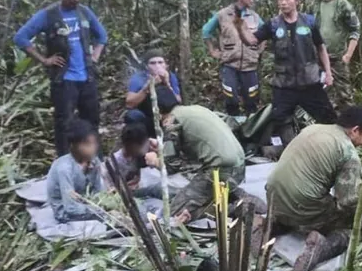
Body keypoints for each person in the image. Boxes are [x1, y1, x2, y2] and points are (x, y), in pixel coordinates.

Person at [265, 107, 362, 271]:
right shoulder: (347, 152)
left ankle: (270, 225)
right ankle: (322, 248)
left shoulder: (313, 128)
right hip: (302, 206)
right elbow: (348, 202)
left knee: (305, 198)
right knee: (357, 228)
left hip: (273, 198)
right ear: (355, 130)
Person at [14, 0, 108, 156]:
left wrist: (94, 56)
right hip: (64, 79)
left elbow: (102, 36)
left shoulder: (84, 13)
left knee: (92, 120)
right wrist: (44, 60)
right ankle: (66, 162)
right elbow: (20, 38)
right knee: (64, 123)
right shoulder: (48, 15)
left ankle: (96, 160)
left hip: (87, 77)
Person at [235, 0, 337, 146]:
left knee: (328, 118)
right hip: (284, 85)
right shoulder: (273, 25)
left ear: (297, 0)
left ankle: (330, 149)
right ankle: (293, 150)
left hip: (310, 82)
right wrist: (239, 24)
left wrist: (328, 74)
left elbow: (320, 47)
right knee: (281, 119)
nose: (283, 2)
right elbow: (252, 40)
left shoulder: (309, 22)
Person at [153, 86, 267, 222]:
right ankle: (235, 195)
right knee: (202, 191)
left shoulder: (172, 121)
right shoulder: (195, 109)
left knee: (173, 213)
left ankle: (236, 207)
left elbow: (171, 166)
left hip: (219, 170)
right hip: (238, 166)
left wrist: (155, 160)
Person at [202, 0, 265, 116]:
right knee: (231, 99)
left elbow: (264, 34)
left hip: (250, 66)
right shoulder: (222, 15)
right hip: (230, 64)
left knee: (252, 99)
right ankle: (233, 126)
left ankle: (251, 129)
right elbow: (206, 31)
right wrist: (212, 51)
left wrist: (258, 51)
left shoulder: (254, 16)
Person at [309, 0, 361, 110]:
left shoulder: (343, 5)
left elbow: (355, 30)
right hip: (319, 59)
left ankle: (351, 127)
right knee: (322, 96)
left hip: (338, 59)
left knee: (344, 96)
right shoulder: (315, 6)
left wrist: (348, 55)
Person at [45, 119, 105, 223]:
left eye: (94, 143)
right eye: (87, 144)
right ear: (73, 146)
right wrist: (98, 210)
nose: (93, 148)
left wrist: (102, 203)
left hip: (87, 203)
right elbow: (70, 207)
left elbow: (98, 190)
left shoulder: (94, 161)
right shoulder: (65, 168)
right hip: (66, 211)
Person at [125, 49, 182, 137]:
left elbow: (178, 100)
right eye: (153, 63)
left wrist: (167, 84)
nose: (157, 66)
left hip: (168, 116)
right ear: (147, 66)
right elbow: (129, 104)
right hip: (147, 116)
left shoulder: (171, 76)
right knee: (133, 116)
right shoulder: (139, 77)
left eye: (160, 62)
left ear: (165, 65)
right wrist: (147, 87)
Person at [101, 122, 160, 192]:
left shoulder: (140, 154)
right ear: (130, 145)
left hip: (138, 187)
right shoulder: (113, 163)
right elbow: (108, 189)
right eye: (141, 144)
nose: (145, 147)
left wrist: (159, 148)